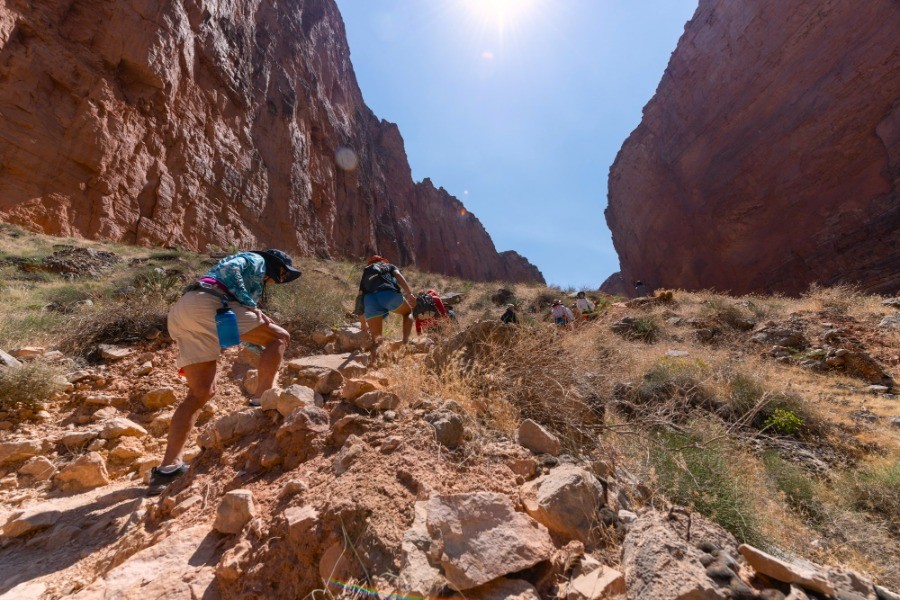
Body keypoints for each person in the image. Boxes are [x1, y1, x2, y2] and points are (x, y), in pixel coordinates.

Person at [148, 249, 300, 496]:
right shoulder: (255, 259)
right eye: (281, 273)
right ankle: (262, 397)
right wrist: (251, 306)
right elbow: (231, 270)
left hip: (184, 311)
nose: (278, 280)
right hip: (209, 305)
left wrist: (259, 330)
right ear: (275, 264)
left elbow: (251, 338)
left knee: (201, 393)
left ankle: (168, 468)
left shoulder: (238, 278)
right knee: (281, 336)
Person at [358, 256, 416, 360]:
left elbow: (360, 295)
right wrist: (409, 293)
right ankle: (405, 342)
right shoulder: (388, 265)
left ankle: (376, 365)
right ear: (382, 261)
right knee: (407, 312)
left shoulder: (366, 271)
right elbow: (398, 275)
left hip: (369, 300)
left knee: (377, 340)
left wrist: (362, 322)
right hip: (387, 294)